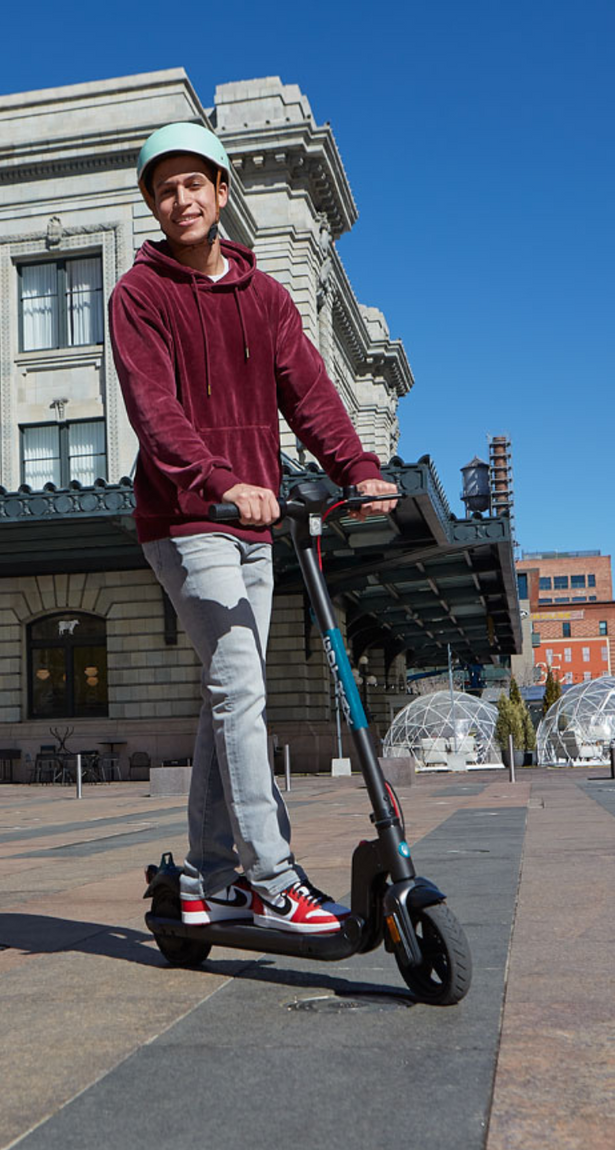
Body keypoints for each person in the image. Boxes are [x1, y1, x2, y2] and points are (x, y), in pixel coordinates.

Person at [110, 122, 398, 935]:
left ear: (222, 192)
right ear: (152, 204)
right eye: (165, 190)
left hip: (256, 525)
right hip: (185, 520)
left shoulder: (264, 297)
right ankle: (273, 877)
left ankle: (214, 876)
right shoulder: (139, 296)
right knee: (240, 685)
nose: (182, 200)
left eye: (194, 184)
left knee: (225, 695)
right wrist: (221, 483)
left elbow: (308, 392)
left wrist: (357, 470)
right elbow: (155, 414)